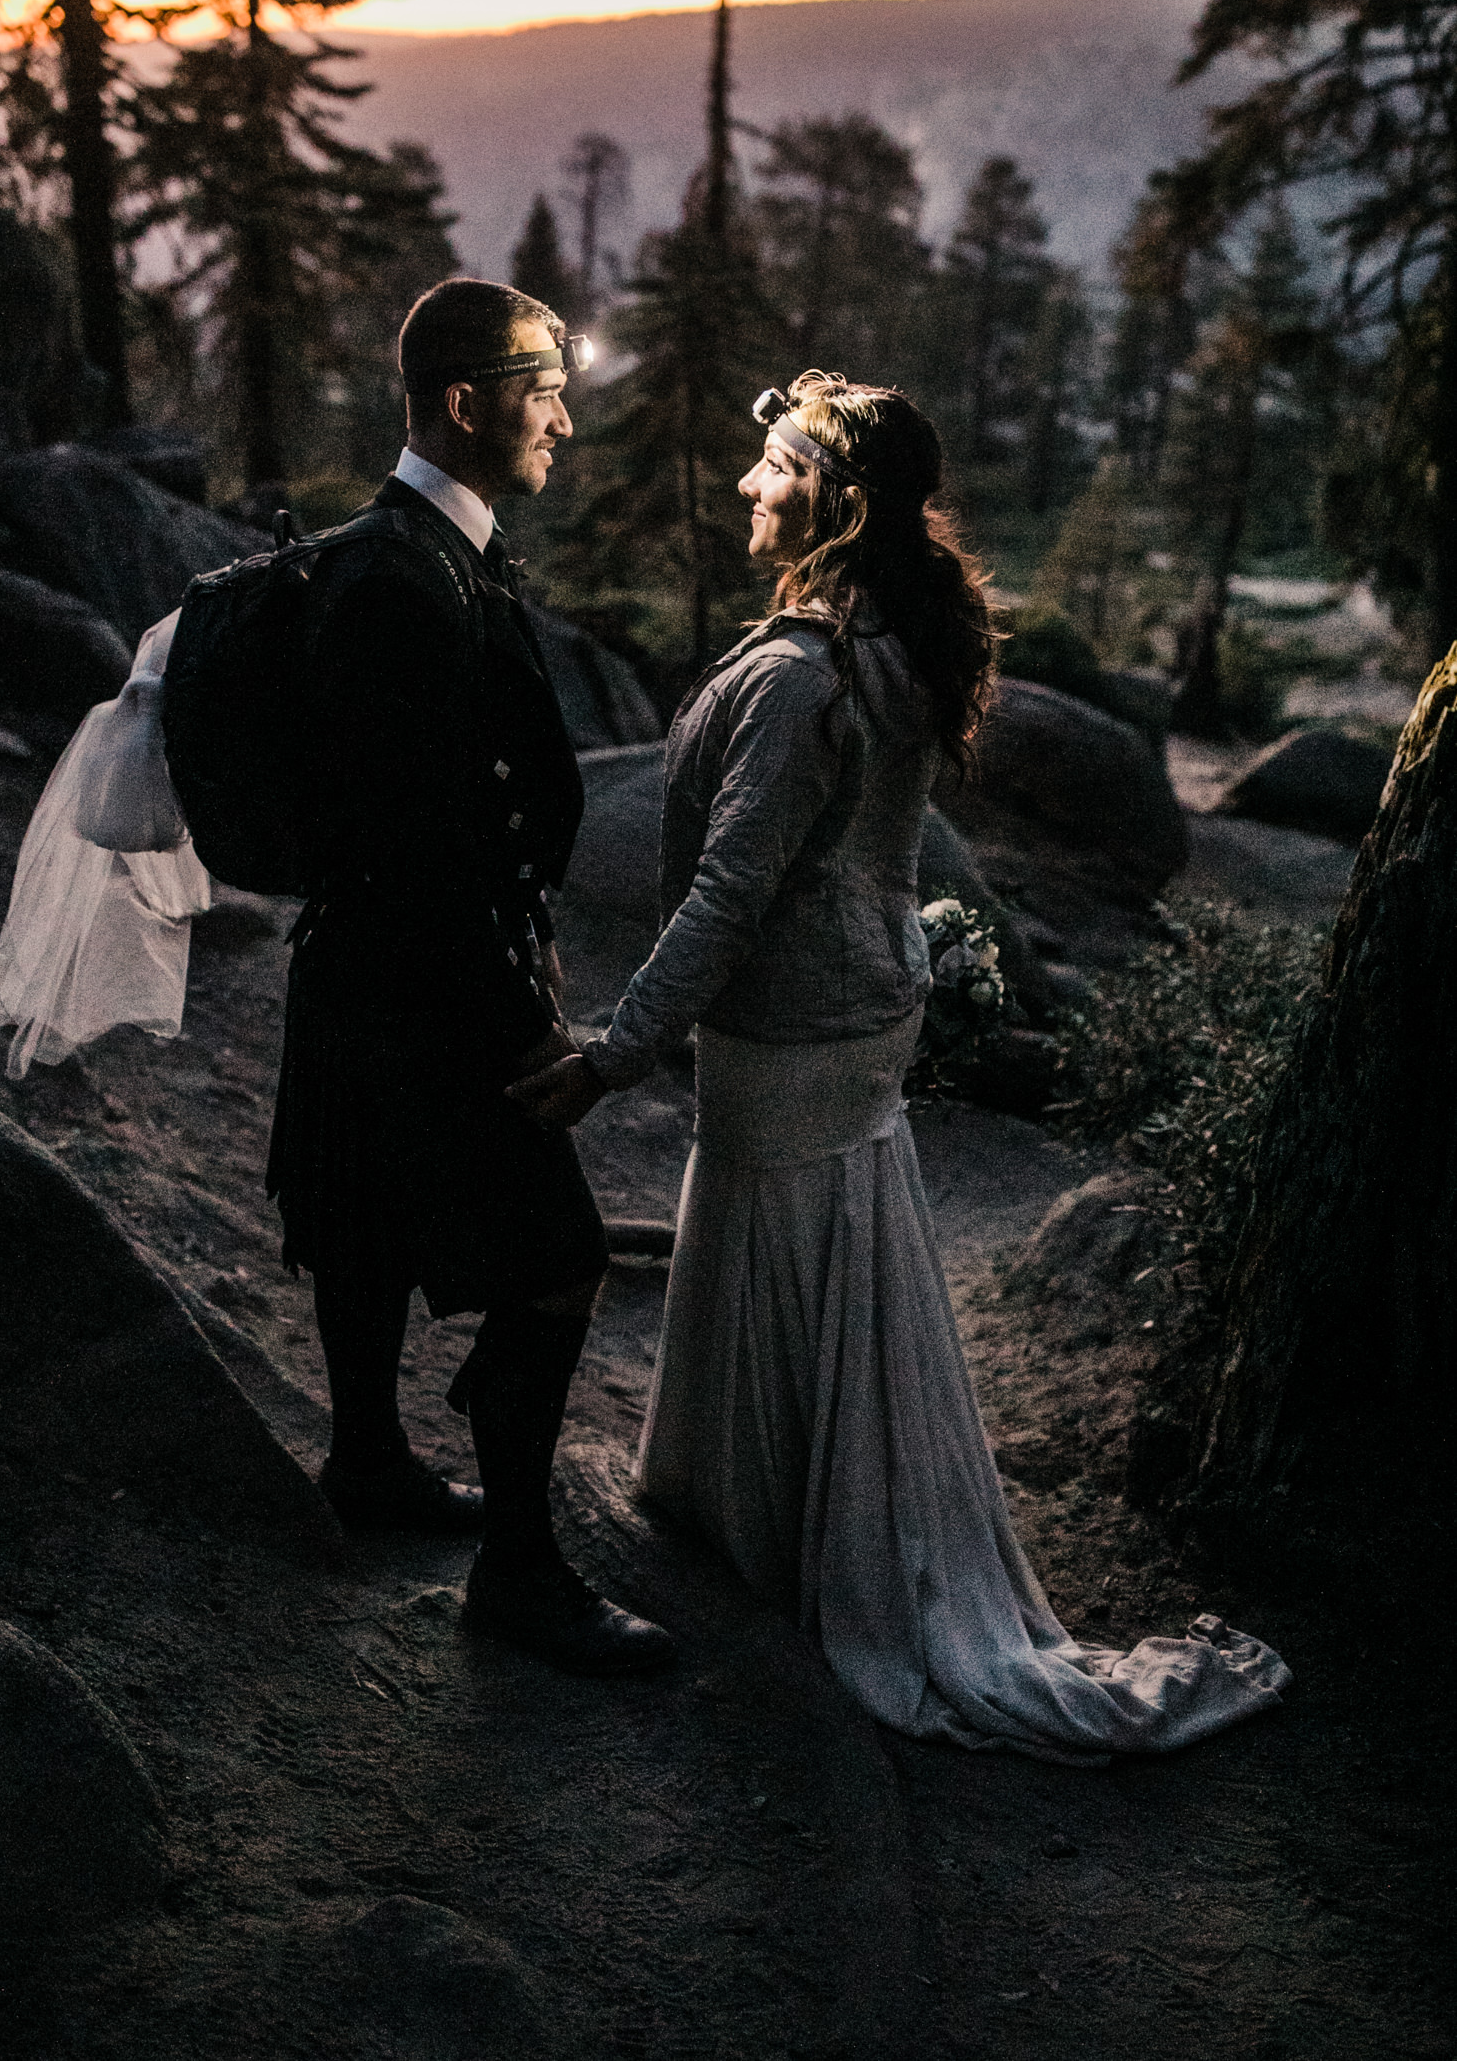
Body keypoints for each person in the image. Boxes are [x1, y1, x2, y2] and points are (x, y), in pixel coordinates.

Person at [511, 371, 1289, 1760]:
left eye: (773, 468)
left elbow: (730, 898)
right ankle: (793, 1530)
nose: (749, 486)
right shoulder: (878, 650)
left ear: (837, 502)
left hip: (800, 1028)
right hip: (856, 1016)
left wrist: (613, 1054)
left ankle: (800, 1548)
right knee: (822, 1261)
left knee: (787, 1256)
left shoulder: (808, 676)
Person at [266, 277, 674, 1678]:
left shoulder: (427, 553)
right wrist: (518, 1012)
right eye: (543, 387)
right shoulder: (398, 578)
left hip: (379, 983)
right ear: (464, 401)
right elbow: (415, 836)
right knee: (557, 1264)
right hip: (418, 992)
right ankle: (518, 1569)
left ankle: (371, 1463)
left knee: (369, 1225)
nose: (563, 413)